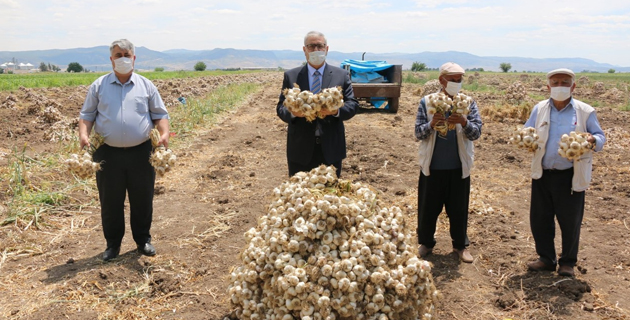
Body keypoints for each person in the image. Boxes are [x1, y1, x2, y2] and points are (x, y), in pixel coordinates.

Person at [78, 39, 170, 261]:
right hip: (107, 153)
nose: (122, 59)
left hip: (142, 152)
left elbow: (160, 114)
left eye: (126, 55)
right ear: (111, 60)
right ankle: (113, 245)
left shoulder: (146, 86)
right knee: (110, 201)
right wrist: (83, 134)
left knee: (142, 198)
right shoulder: (98, 86)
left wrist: (164, 133)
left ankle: (143, 241)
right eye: (118, 55)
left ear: (134, 58)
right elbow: (86, 115)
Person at [524, 68, 605, 277]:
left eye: (565, 82)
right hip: (543, 173)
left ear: (573, 86)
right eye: (556, 82)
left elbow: (600, 137)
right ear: (548, 86)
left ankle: (567, 262)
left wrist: (592, 140)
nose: (560, 86)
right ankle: (546, 258)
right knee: (540, 219)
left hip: (570, 175)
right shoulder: (539, 108)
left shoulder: (585, 111)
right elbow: (527, 131)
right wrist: (526, 139)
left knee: (570, 221)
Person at [414, 62, 483, 263]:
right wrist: (432, 124)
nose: (456, 83)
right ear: (441, 80)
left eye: (459, 80)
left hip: (459, 166)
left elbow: (476, 132)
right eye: (452, 79)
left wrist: (463, 121)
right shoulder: (427, 102)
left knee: (459, 209)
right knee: (428, 207)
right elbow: (418, 133)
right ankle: (426, 243)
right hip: (432, 166)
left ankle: (460, 246)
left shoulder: (468, 102)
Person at [276, 31, 358, 178]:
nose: (316, 50)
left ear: (326, 49)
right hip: (300, 150)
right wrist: (294, 114)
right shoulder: (291, 76)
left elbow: (352, 105)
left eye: (320, 46)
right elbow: (281, 108)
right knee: (299, 195)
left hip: (331, 149)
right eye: (311, 46)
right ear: (304, 50)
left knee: (329, 195)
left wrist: (335, 111)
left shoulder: (341, 75)